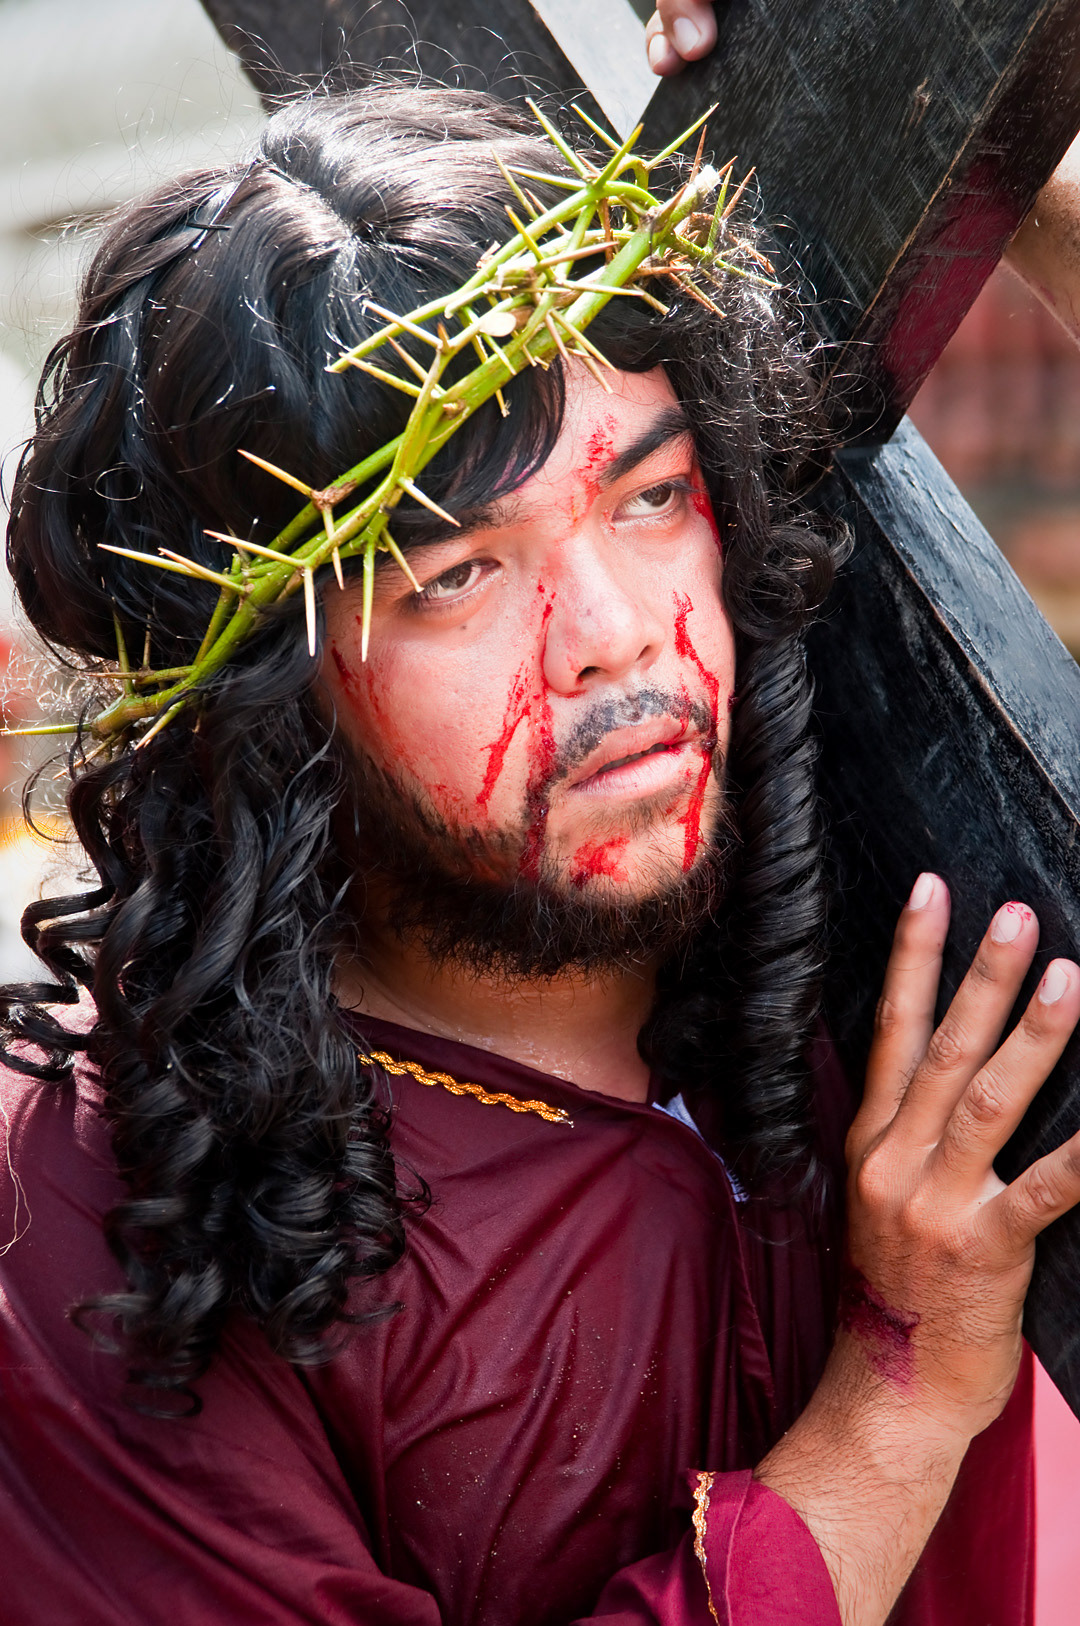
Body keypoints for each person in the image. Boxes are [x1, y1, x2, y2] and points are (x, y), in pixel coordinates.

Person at [2, 82, 1080, 1626]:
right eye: (456, 573)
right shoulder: (95, 1208)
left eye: (653, 497)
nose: (618, 635)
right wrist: (893, 1409)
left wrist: (972, 86)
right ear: (263, 691)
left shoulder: (867, 872)